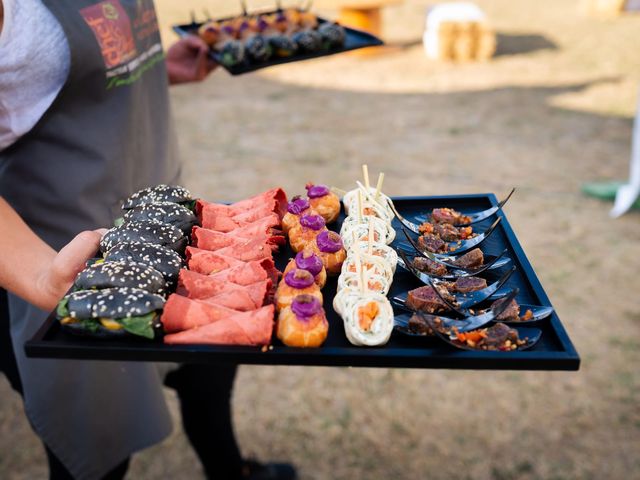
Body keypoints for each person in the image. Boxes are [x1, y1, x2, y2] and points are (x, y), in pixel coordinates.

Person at [0, 1, 295, 479]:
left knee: (209, 368)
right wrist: (39, 275)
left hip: (165, 221)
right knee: (99, 446)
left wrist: (159, 71)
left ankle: (229, 469)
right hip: (66, 262)